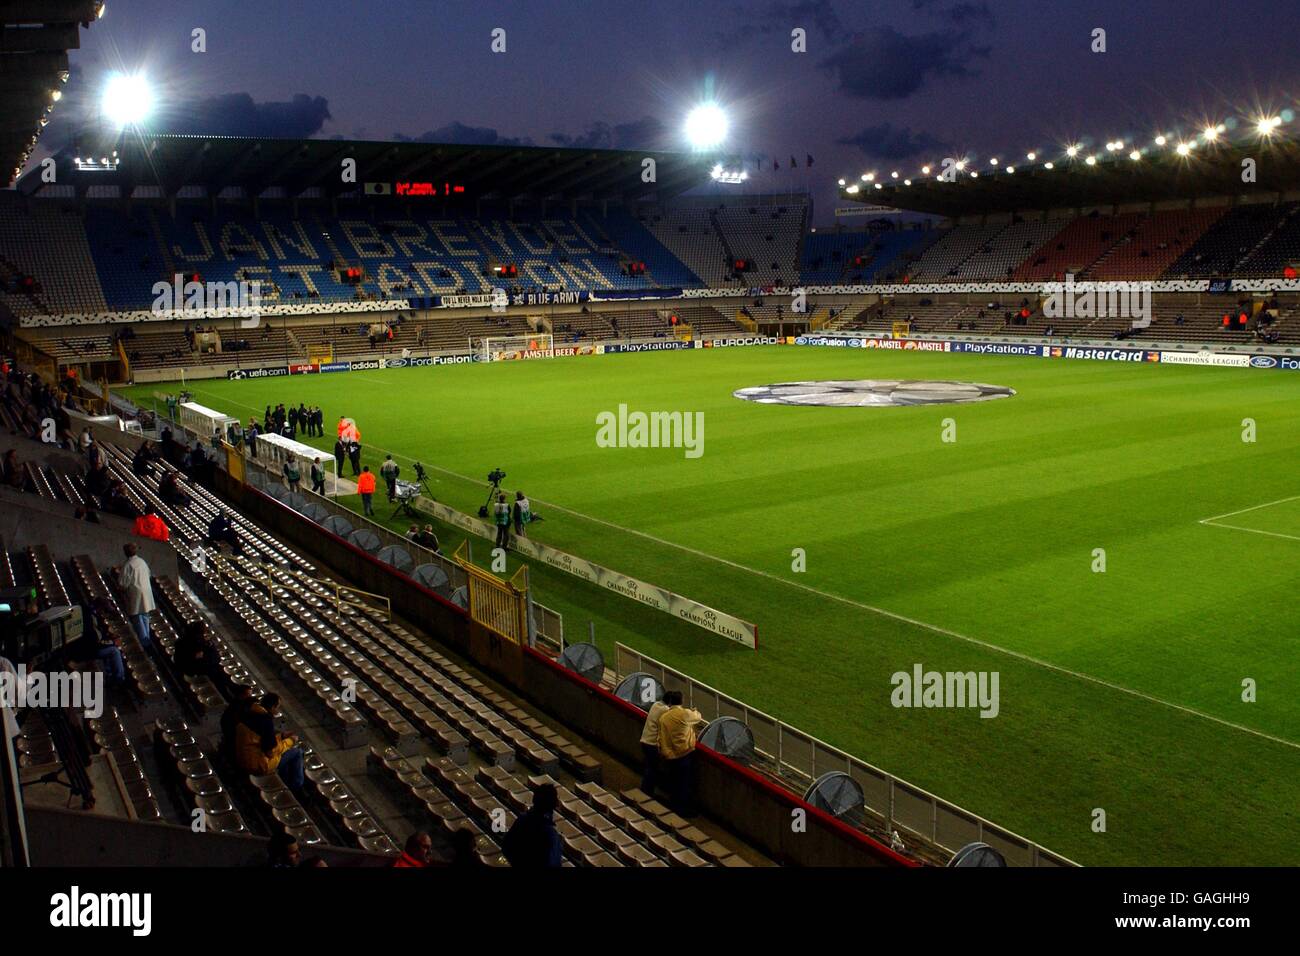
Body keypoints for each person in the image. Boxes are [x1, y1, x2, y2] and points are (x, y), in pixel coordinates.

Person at [235, 693, 304, 793]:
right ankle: (295, 788)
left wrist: (281, 737)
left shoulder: (249, 713)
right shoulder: (265, 721)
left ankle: (286, 782)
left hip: (243, 756)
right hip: (256, 765)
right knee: (297, 752)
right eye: (277, 707)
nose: (278, 711)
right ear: (272, 707)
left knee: (286, 754)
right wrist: (290, 741)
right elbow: (270, 752)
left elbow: (261, 740)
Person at [657, 692, 705, 816]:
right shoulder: (685, 714)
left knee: (674, 782)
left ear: (671, 702)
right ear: (681, 701)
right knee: (683, 784)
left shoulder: (664, 717)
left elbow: (662, 738)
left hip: (671, 756)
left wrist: (667, 753)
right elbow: (698, 716)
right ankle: (681, 811)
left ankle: (674, 806)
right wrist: (693, 710)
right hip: (684, 754)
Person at [501, 783, 562, 868]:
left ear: (534, 800)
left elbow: (506, 846)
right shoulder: (550, 835)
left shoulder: (522, 820)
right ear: (555, 804)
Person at [115, 543, 156, 650]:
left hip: (136, 593)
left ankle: (145, 643)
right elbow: (149, 574)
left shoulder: (128, 565)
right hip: (146, 591)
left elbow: (123, 583)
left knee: (137, 618)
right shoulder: (142, 561)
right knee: (145, 616)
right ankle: (148, 639)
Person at [84, 598, 125, 685]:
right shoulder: (91, 619)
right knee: (114, 651)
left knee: (110, 647)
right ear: (100, 608)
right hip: (89, 649)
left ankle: (109, 674)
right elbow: (97, 641)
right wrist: (113, 642)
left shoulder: (90, 612)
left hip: (89, 645)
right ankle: (119, 678)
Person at [638, 693, 673, 796]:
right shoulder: (665, 710)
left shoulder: (655, 705)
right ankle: (646, 794)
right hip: (652, 745)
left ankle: (645, 791)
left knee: (650, 768)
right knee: (652, 769)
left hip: (645, 741)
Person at [219, 685, 256, 760]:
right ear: (241, 695)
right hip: (231, 729)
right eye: (248, 695)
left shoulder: (242, 703)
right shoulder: (237, 706)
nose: (250, 697)